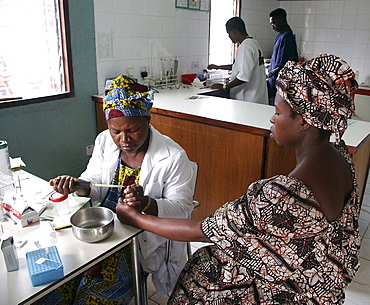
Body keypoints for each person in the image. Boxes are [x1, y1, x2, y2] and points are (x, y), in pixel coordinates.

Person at [116, 54, 361, 304]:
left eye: (278, 113)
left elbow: (200, 231)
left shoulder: (282, 196)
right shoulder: (341, 159)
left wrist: (137, 218)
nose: (272, 119)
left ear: (306, 122)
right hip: (319, 284)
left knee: (201, 276)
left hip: (290, 292)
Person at [44, 75, 196, 304]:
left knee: (94, 296)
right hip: (102, 229)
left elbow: (182, 209)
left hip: (138, 240)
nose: (124, 139)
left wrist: (146, 203)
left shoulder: (173, 157)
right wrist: (77, 185)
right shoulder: (104, 140)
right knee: (58, 287)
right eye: (116, 131)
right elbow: (94, 181)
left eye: (133, 130)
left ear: (148, 119)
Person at [207, 17, 268, 104]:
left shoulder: (245, 47)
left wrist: (225, 86)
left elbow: (243, 77)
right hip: (258, 97)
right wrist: (217, 67)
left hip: (248, 99)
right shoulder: (253, 43)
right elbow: (239, 66)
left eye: (229, 33)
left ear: (234, 31)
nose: (229, 37)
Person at [267, 8, 299, 105]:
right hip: (275, 81)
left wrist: (270, 73)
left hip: (281, 83)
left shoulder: (286, 36)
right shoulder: (281, 35)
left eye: (273, 23)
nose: (272, 27)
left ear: (281, 20)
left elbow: (284, 64)